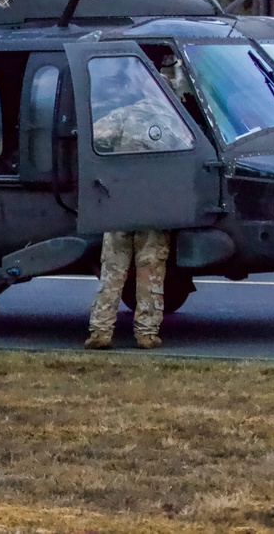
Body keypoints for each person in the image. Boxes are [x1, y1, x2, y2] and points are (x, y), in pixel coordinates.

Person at [85, 69, 186, 350]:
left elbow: (95, 138)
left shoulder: (123, 115)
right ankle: (146, 333)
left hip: (120, 203)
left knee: (113, 271)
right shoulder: (174, 122)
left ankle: (100, 330)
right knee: (150, 271)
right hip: (153, 207)